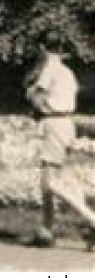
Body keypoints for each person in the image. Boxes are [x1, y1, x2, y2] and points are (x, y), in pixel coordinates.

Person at [24, 44, 95, 250]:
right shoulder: (67, 72)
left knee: (53, 183)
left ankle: (91, 218)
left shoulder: (49, 69)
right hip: (65, 124)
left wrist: (29, 89)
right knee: (48, 182)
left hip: (53, 124)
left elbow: (38, 100)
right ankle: (46, 230)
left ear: (43, 48)